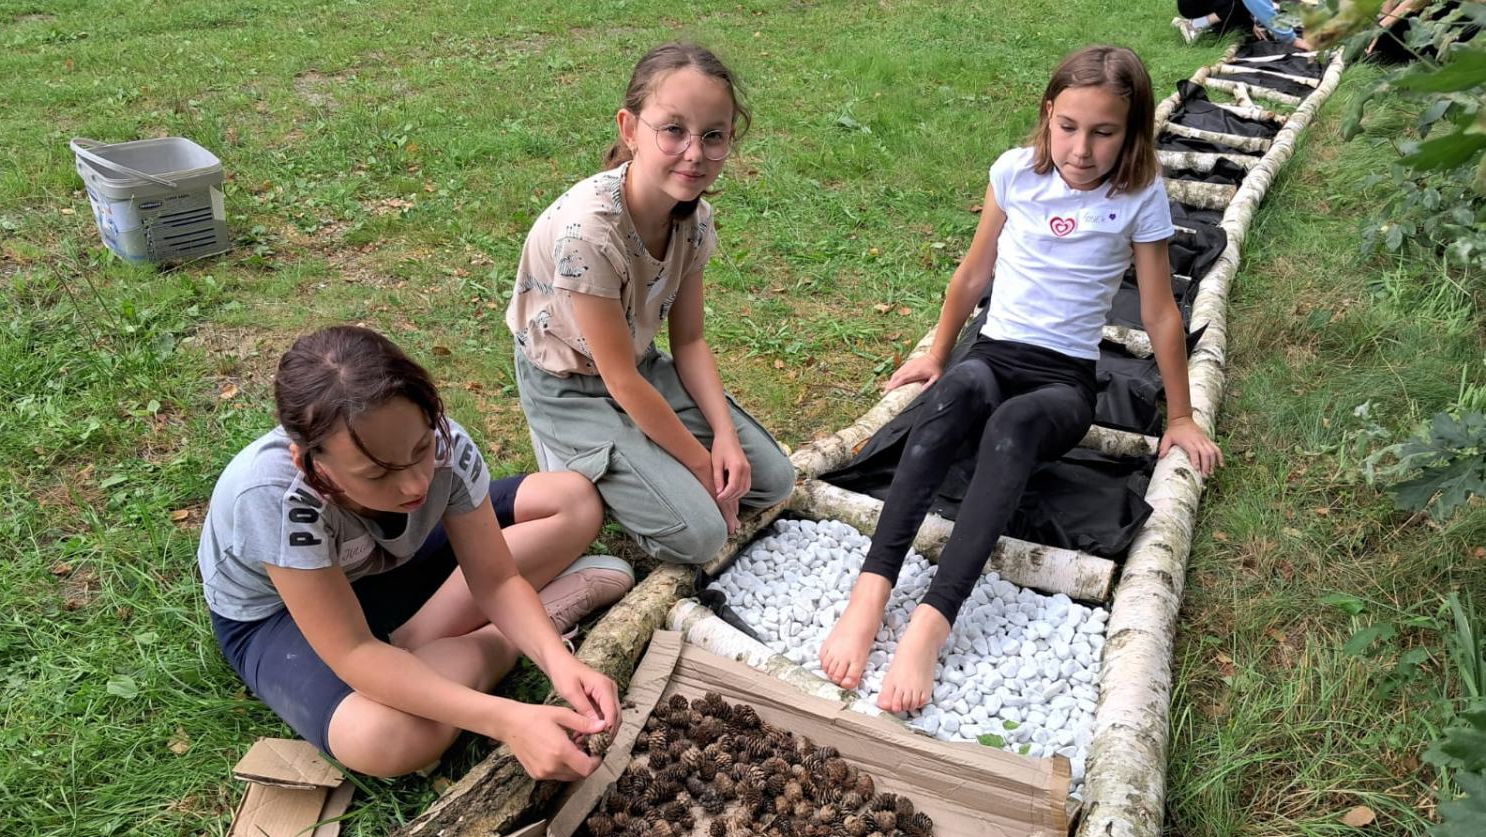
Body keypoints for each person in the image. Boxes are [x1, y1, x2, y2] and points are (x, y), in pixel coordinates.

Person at [819, 46, 1224, 714]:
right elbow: (974, 273)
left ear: (1131, 132)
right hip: (994, 355)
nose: (1083, 148)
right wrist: (939, 352)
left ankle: (931, 623)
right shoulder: (1014, 173)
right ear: (1047, 116)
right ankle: (871, 592)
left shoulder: (1137, 195)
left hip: (1060, 386)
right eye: (1068, 127)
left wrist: (1179, 416)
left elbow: (1158, 312)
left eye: (1104, 132)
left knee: (1011, 426)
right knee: (953, 392)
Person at [199, 325, 632, 779]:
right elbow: (352, 651)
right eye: (376, 474)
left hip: (390, 563)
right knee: (385, 739)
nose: (415, 485)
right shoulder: (275, 498)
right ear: (309, 463)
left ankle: (414, 651)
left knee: (574, 501)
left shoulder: (442, 444)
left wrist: (559, 663)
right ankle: (505, 637)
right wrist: (509, 720)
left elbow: (497, 579)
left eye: (421, 448)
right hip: (288, 612)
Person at [507, 42, 796, 565]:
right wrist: (703, 467)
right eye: (674, 130)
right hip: (570, 385)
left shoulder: (695, 218)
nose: (694, 152)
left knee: (773, 481)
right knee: (701, 535)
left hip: (640, 368)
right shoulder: (589, 234)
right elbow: (617, 381)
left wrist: (725, 437)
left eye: (714, 136)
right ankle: (603, 478)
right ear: (629, 129)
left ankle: (654, 471)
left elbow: (689, 341)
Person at [1173, 0, 1314, 48]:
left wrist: (1250, 23)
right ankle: (1195, 25)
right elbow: (1262, 9)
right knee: (1234, 5)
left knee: (1239, 10)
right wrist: (1293, 40)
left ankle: (1203, 22)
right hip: (1192, 5)